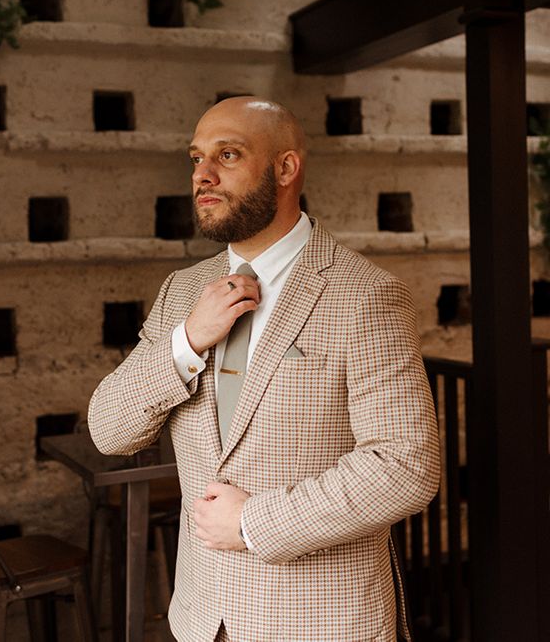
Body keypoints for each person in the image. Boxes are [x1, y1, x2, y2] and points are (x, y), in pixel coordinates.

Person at [88, 96, 440, 642]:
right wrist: (187, 339)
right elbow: (110, 430)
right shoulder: (182, 291)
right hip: (202, 617)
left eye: (227, 155)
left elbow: (405, 466)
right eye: (196, 157)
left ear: (285, 168)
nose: (202, 175)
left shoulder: (365, 295)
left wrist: (255, 523)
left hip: (322, 622)